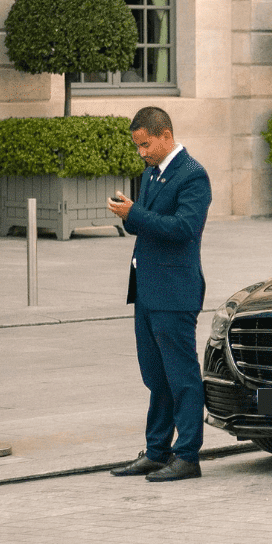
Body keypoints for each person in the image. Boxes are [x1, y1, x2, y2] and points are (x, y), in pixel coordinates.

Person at [107, 107, 212, 482]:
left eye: (145, 144)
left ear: (165, 135)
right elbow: (149, 225)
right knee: (156, 377)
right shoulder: (151, 173)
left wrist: (134, 214)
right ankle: (156, 451)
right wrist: (130, 214)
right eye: (138, 146)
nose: (142, 152)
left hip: (175, 291)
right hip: (148, 290)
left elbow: (184, 228)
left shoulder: (193, 176)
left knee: (181, 377)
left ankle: (187, 456)